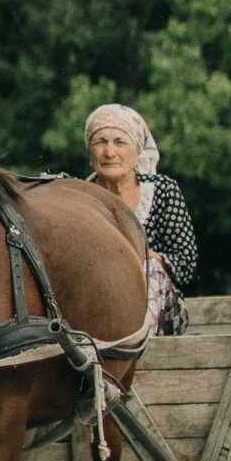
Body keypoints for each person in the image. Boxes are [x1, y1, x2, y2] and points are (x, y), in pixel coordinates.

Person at [84, 103, 195, 336]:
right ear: (90, 151)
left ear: (137, 151)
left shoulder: (163, 190)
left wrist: (141, 258)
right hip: (94, 308)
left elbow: (187, 265)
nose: (109, 152)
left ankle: (134, 350)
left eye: (120, 142)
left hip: (161, 315)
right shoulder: (79, 197)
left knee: (147, 266)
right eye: (100, 142)